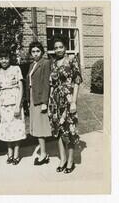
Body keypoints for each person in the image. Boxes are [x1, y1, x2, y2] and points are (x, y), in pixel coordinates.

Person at [48, 36, 82, 174]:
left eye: (60, 47)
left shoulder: (72, 60)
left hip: (68, 99)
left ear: (65, 47)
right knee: (58, 131)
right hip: (55, 101)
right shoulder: (54, 63)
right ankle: (62, 160)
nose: (58, 50)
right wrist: (50, 100)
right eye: (56, 47)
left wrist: (74, 101)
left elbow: (77, 81)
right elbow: (52, 84)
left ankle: (70, 161)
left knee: (70, 130)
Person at [0, 47, 26, 165]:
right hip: (3, 104)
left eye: (6, 58)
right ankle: (10, 153)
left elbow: (21, 87)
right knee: (7, 129)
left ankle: (17, 154)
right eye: (1, 59)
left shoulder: (16, 69)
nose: (4, 61)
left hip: (15, 102)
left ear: (9, 59)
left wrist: (18, 105)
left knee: (16, 128)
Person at [26, 41, 52, 165]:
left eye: (37, 51)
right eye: (33, 52)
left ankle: (44, 154)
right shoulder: (32, 65)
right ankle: (43, 151)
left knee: (40, 127)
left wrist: (44, 102)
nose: (35, 54)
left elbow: (46, 83)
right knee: (36, 126)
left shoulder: (45, 63)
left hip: (40, 98)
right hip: (32, 97)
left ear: (41, 52)